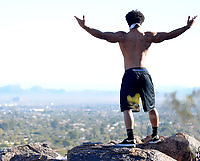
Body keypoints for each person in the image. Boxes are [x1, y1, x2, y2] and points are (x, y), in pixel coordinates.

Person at [74, 10, 197, 146]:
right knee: (151, 106)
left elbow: (102, 35)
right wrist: (186, 27)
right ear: (142, 21)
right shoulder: (148, 36)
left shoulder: (122, 37)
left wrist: (85, 27)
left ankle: (131, 138)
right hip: (144, 74)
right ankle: (155, 135)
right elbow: (168, 35)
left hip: (130, 74)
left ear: (128, 22)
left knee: (128, 107)